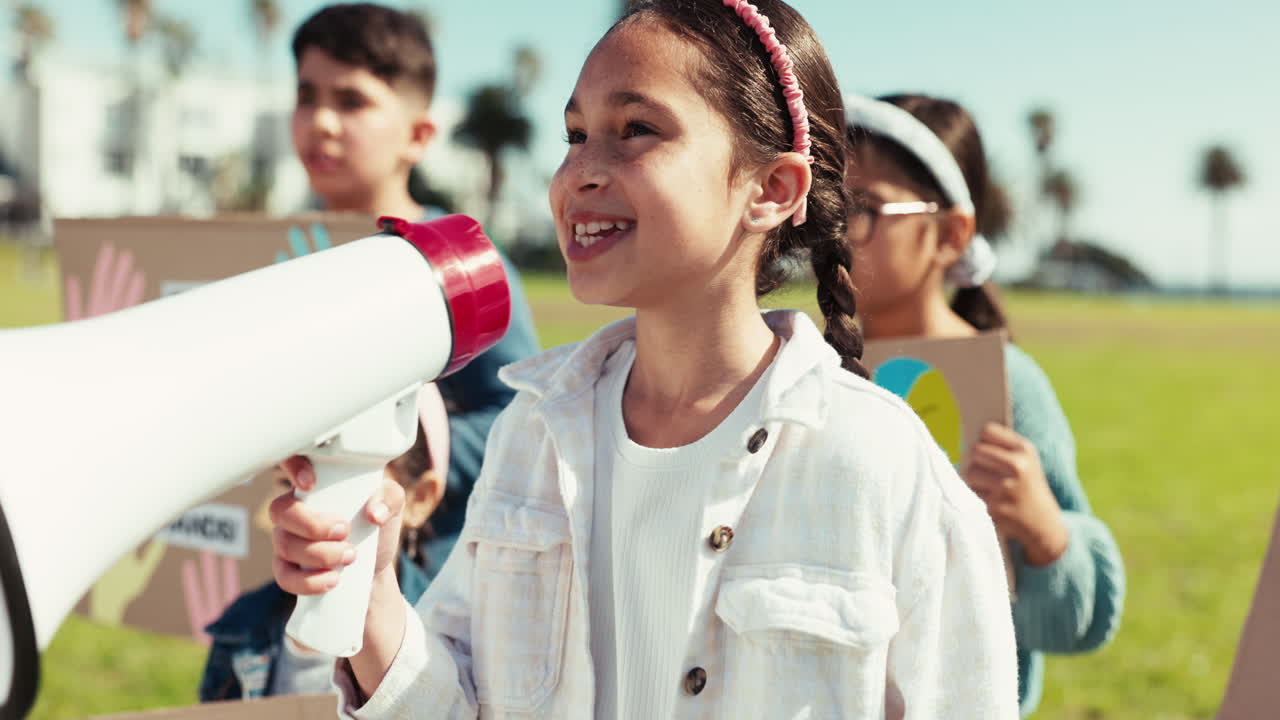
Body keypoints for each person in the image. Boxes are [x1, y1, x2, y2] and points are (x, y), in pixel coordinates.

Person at [271, 2, 1020, 717]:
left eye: (635, 129)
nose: (581, 172)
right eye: (573, 134)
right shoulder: (531, 437)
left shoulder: (883, 466)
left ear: (772, 187)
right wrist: (371, 601)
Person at [845, 92, 1125, 717]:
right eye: (827, 205)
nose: (837, 232)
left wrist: (1047, 532)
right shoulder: (805, 369)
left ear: (950, 234)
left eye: (864, 208)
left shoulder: (1013, 388)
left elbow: (1076, 625)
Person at [286, 3, 540, 556]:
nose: (321, 120)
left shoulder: (461, 263)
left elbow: (518, 415)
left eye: (351, 100)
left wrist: (399, 458)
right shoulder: (280, 257)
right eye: (307, 95)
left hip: (417, 576)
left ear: (419, 135)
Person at [200, 386, 450, 700]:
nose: (312, 513)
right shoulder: (242, 625)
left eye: (347, 484)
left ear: (420, 498)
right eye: (290, 484)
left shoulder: (450, 638)